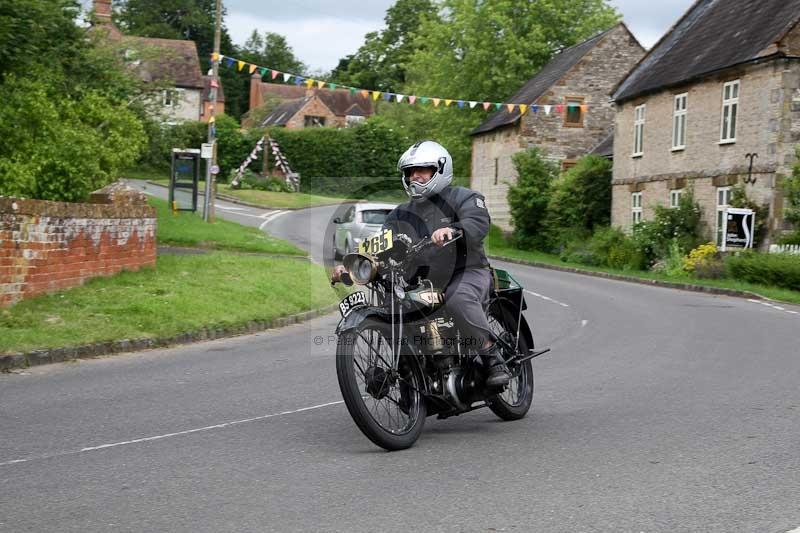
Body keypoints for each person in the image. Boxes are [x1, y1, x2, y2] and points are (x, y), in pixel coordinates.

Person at [332, 140, 511, 387]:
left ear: (440, 169)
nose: (414, 176)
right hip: (420, 282)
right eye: (409, 172)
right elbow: (379, 245)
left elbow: (477, 223)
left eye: (422, 170)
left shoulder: (463, 197)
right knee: (394, 308)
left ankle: (492, 358)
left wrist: (453, 230)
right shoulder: (399, 215)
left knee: (458, 298)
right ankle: (413, 375)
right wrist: (353, 265)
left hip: (466, 272)